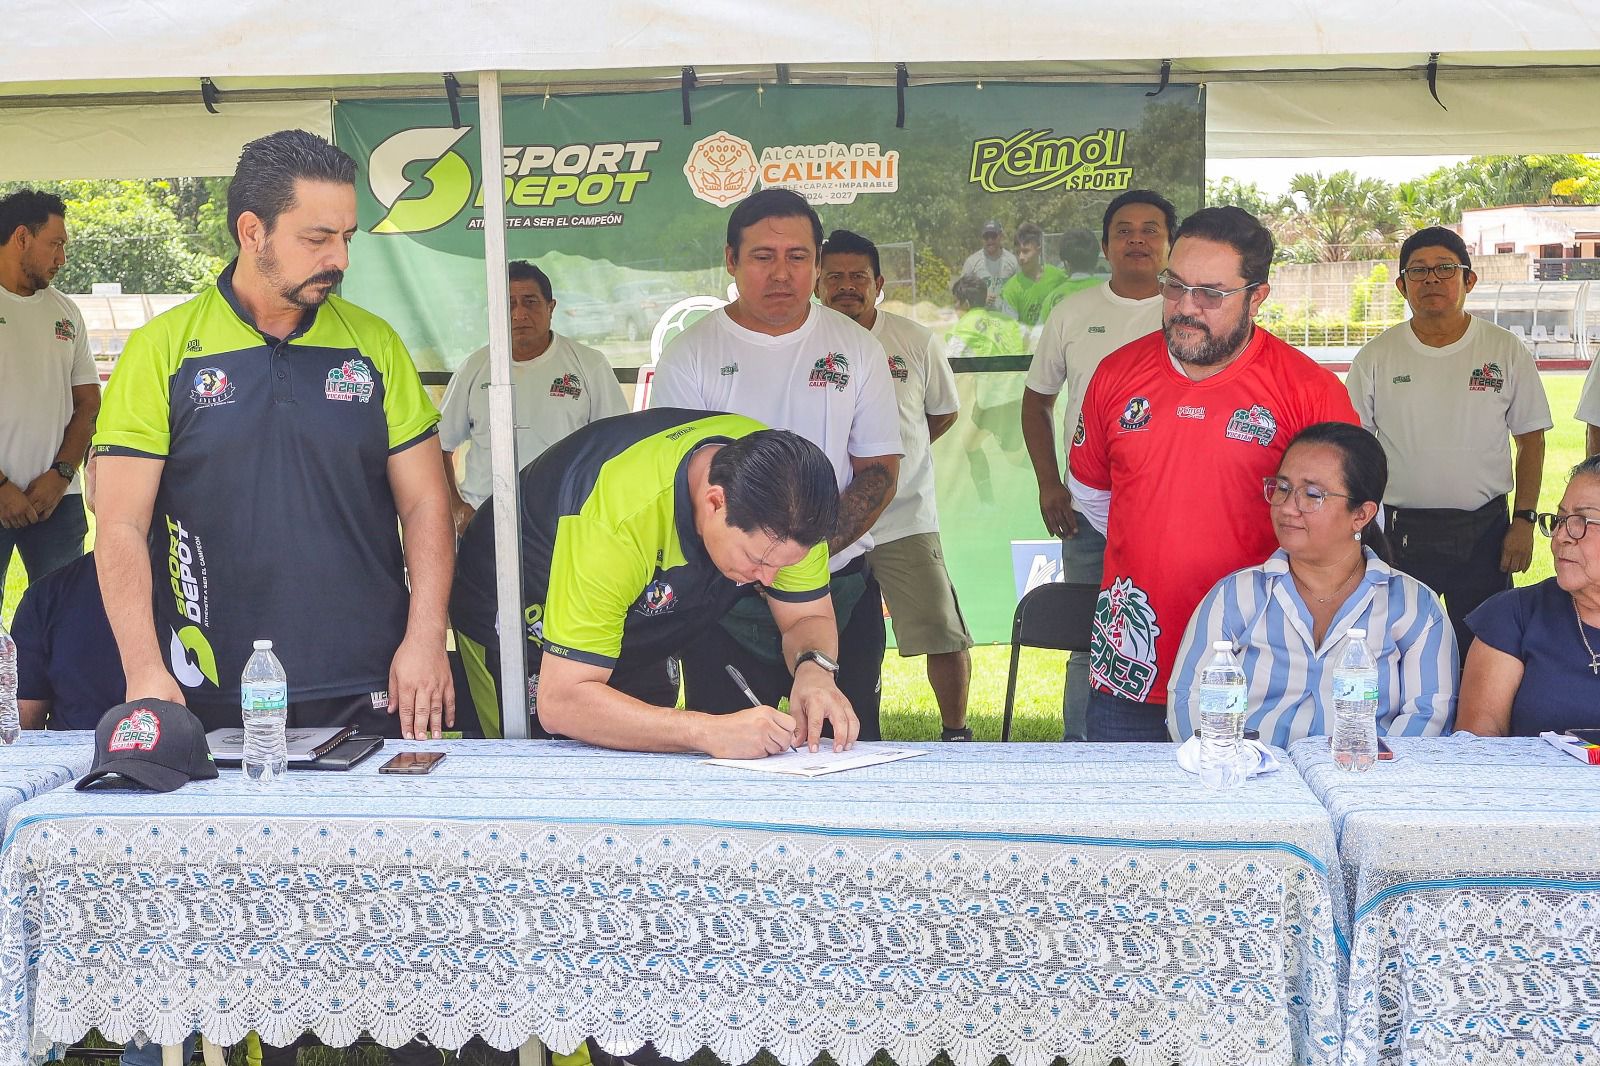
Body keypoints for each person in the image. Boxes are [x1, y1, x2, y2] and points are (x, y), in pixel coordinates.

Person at [93, 129, 455, 744]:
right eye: (317, 238)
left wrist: (425, 637)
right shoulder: (163, 349)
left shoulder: (375, 344)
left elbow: (425, 503)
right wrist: (144, 668)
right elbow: (120, 523)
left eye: (347, 237)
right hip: (207, 679)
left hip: (372, 676)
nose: (339, 259)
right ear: (252, 231)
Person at [1067, 205, 1360, 741]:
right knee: (1126, 798)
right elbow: (1091, 495)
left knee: (1247, 798)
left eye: (1210, 293)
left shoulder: (1309, 391)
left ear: (1257, 296)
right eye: (1175, 286)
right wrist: (1158, 541)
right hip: (1132, 663)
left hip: (1261, 664)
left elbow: (1343, 521)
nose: (1185, 306)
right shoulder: (1115, 373)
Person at [450, 410, 858, 754]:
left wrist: (815, 670)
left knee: (647, 746)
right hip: (517, 602)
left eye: (785, 566)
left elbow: (805, 617)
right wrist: (708, 731)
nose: (768, 580)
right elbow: (561, 702)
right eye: (757, 561)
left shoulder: (793, 502)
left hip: (631, 603)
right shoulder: (618, 519)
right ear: (715, 502)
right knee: (537, 766)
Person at [649, 188, 902, 740]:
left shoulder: (857, 348)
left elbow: (879, 470)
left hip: (838, 586)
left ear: (817, 263)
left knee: (846, 751)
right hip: (724, 597)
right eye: (763, 256)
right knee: (728, 752)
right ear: (731, 260)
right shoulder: (691, 353)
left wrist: (800, 555)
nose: (781, 273)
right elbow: (676, 483)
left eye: (798, 257)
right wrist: (753, 558)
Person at [1168, 422, 1457, 747]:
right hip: (1247, 774)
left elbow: (1428, 716)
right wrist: (1243, 764)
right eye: (1282, 488)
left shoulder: (1414, 607)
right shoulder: (1236, 596)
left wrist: (1357, 769)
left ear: (1361, 515)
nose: (1287, 507)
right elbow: (1188, 700)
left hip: (1365, 775)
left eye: (1312, 495)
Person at [1347, 226, 1551, 656]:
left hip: (1486, 531)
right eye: (1418, 271)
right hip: (1399, 532)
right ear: (1402, 285)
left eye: (1444, 269)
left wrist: (1524, 521)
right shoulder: (1377, 356)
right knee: (1397, 649)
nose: (1431, 280)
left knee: (1483, 653)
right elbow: (1354, 450)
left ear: (1468, 280)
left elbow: (1531, 442)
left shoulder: (1504, 350)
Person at [1021, 189, 1177, 740]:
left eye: (1151, 229)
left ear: (1171, 244)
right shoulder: (1073, 312)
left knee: (1178, 628)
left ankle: (1178, 742)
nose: (1137, 240)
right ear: (1106, 247)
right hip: (1089, 510)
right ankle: (1080, 750)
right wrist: (1050, 484)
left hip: (1173, 508)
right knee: (1090, 637)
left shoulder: (1188, 312)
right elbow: (1036, 402)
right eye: (1124, 231)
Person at [816, 229, 973, 741]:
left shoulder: (914, 340)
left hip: (905, 518)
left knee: (941, 632)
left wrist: (890, 462)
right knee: (832, 637)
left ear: (879, 284)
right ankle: (836, 730)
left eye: (858, 276)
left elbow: (942, 413)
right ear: (817, 283)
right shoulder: (803, 341)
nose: (846, 286)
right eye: (834, 276)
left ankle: (956, 733)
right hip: (829, 521)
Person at [438, 260, 627, 536]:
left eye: (530, 302)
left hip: (565, 522)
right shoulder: (473, 368)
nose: (519, 314)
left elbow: (619, 445)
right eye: (509, 304)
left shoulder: (589, 364)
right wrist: (457, 508)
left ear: (551, 307)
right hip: (484, 521)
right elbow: (438, 446)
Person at [0, 189, 100, 590]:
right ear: (22, 237)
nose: (62, 259)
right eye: (55, 244)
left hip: (58, 498)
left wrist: (61, 474)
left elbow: (89, 403)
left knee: (62, 614)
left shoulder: (67, 312)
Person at [1458, 456, 1600, 736]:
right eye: (1560, 520)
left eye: (1581, 521)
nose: (1560, 536)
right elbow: (1477, 746)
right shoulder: (1512, 617)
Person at [13, 456, 123, 731]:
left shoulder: (209, 595)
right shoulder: (43, 600)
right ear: (92, 475)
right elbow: (20, 731)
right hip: (77, 760)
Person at [998, 222, 1066, 327]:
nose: (1021, 257)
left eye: (1026, 251)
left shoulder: (1058, 277)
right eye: (1017, 252)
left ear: (1039, 250)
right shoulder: (1011, 289)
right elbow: (1009, 328)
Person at [945, 273, 1026, 358]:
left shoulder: (963, 329)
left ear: (966, 304)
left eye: (955, 301)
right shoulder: (1008, 321)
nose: (954, 306)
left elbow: (950, 361)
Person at [960, 220, 1018, 308]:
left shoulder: (1012, 261)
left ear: (1000, 236)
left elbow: (1021, 290)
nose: (990, 240)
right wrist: (980, 298)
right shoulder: (972, 262)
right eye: (986, 237)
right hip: (981, 315)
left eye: (993, 236)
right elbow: (961, 291)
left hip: (1005, 315)